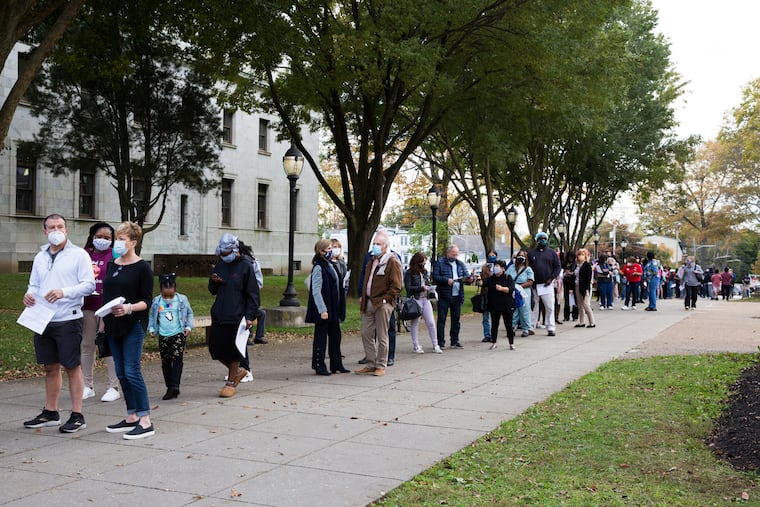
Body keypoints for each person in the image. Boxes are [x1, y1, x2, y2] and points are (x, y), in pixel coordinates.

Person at [22, 214, 96, 433]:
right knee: (50, 366)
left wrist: (64, 292)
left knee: (72, 366)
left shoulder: (78, 255)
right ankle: (50, 412)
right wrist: (28, 294)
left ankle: (77, 414)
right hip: (43, 318)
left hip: (68, 318)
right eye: (52, 227)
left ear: (67, 229)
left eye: (60, 226)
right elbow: (34, 284)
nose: (56, 230)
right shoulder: (40, 256)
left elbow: (89, 285)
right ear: (45, 231)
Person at [102, 221, 155, 440]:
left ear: (133, 242)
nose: (117, 243)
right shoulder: (113, 264)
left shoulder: (143, 268)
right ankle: (131, 415)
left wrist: (129, 308)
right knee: (121, 372)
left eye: (122, 239)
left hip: (133, 324)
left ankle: (146, 420)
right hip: (113, 324)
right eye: (117, 238)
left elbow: (147, 301)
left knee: (132, 370)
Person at [208, 233, 260, 397]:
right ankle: (238, 371)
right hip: (219, 313)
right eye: (221, 254)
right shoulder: (220, 265)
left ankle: (231, 382)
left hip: (238, 315)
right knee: (215, 348)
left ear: (234, 250)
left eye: (226, 254)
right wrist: (214, 281)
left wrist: (250, 316)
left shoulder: (245, 265)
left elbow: (253, 293)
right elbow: (211, 290)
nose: (224, 257)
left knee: (234, 350)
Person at [81, 221, 121, 402]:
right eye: (99, 237)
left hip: (107, 307)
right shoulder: (84, 255)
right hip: (87, 305)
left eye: (107, 238)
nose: (102, 240)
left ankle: (114, 386)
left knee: (108, 346)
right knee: (87, 345)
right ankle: (87, 385)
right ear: (92, 237)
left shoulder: (115, 255)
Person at [356, 230, 402, 376]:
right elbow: (365, 280)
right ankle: (370, 363)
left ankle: (381, 364)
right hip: (369, 301)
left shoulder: (392, 261)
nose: (375, 246)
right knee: (366, 333)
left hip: (382, 303)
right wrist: (362, 296)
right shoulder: (371, 260)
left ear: (385, 246)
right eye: (374, 243)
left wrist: (385, 300)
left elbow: (396, 286)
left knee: (382, 335)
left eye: (378, 244)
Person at [305, 239, 349, 375]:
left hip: (333, 307)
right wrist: (322, 309)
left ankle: (336, 364)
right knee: (321, 337)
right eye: (328, 249)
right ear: (321, 251)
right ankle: (319, 364)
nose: (331, 251)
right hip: (324, 307)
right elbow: (316, 290)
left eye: (331, 248)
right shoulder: (319, 267)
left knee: (336, 336)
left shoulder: (329, 264)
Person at [148, 274, 194, 400]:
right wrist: (152, 328)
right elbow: (152, 316)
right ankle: (169, 386)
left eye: (170, 294)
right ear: (160, 290)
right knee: (166, 361)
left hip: (178, 333)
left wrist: (188, 327)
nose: (168, 297)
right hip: (163, 335)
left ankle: (175, 386)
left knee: (177, 359)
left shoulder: (182, 299)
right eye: (165, 294)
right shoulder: (157, 301)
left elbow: (189, 313)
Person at [432, 244, 473, 349]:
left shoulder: (460, 264)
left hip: (457, 295)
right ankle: (440, 342)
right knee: (442, 320)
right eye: (453, 254)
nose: (455, 257)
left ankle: (454, 340)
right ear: (448, 253)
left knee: (456, 319)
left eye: (456, 255)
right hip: (444, 295)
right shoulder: (439, 263)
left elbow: (465, 275)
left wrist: (469, 279)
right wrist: (446, 280)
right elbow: (435, 277)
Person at [403, 252, 440, 353]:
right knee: (415, 323)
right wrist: (421, 288)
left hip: (425, 298)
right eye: (422, 262)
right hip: (416, 299)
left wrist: (430, 288)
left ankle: (435, 344)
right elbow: (408, 288)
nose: (424, 264)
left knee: (431, 322)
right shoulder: (409, 273)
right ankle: (416, 345)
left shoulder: (424, 272)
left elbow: (427, 282)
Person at [527, 231, 561, 336]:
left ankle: (550, 327)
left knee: (549, 306)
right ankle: (531, 326)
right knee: (534, 306)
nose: (542, 240)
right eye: (540, 238)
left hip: (547, 284)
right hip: (534, 285)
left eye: (544, 238)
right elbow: (527, 267)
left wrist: (551, 278)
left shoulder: (552, 253)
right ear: (537, 240)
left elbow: (557, 267)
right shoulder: (531, 253)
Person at [485, 259, 516, 350]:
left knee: (508, 324)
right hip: (494, 305)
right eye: (495, 266)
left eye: (498, 266)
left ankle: (511, 343)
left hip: (506, 305)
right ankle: (494, 342)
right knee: (494, 324)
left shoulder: (507, 277)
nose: (495, 268)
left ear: (503, 268)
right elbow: (484, 284)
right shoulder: (491, 278)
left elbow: (511, 289)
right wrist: (479, 280)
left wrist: (502, 289)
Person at [507, 250, 534, 337]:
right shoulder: (511, 268)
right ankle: (511, 327)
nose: (520, 258)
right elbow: (506, 277)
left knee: (524, 309)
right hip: (513, 290)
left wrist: (520, 286)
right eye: (519, 256)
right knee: (513, 310)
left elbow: (530, 281)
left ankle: (526, 328)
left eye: (522, 256)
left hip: (524, 291)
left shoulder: (528, 269)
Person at [477, 250, 498, 342]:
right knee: (485, 316)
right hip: (486, 293)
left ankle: (494, 335)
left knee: (495, 316)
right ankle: (487, 335)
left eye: (493, 255)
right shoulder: (484, 267)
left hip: (496, 294)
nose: (491, 257)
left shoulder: (499, 267)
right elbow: (481, 279)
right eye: (490, 255)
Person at [574, 249, 596, 328]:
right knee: (579, 305)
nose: (580, 256)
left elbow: (588, 278)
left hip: (584, 287)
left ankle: (592, 322)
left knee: (586, 304)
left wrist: (586, 288)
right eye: (579, 254)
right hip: (577, 285)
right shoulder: (577, 265)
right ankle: (581, 321)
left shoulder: (587, 265)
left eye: (582, 255)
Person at [562, 251, 579, 322]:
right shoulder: (564, 264)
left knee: (575, 300)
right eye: (569, 257)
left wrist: (571, 273)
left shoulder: (576, 264)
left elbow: (577, 273)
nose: (570, 258)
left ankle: (575, 316)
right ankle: (566, 316)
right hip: (566, 283)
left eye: (571, 257)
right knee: (566, 300)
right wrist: (565, 272)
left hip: (573, 283)